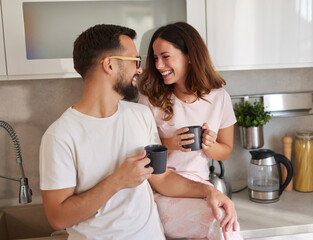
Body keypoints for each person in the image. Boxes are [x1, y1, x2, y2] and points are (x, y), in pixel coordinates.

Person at [39, 24, 238, 240]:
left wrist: (209, 192)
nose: (141, 69)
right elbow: (58, 218)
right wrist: (117, 181)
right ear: (109, 65)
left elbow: (162, 179)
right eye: (135, 61)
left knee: (226, 225)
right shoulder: (60, 136)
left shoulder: (141, 116)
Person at [138, 22, 242, 239]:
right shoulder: (150, 99)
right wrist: (170, 143)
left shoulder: (218, 97)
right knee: (221, 224)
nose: (158, 65)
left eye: (165, 56)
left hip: (199, 187)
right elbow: (140, 154)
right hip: (159, 191)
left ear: (190, 56)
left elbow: (226, 150)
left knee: (226, 224)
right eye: (155, 58)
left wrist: (210, 145)